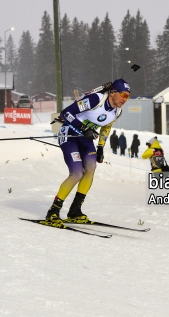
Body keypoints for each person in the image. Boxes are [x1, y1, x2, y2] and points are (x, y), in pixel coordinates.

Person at [45, 78, 130, 223]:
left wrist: (101, 146)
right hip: (69, 134)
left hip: (85, 138)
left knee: (91, 167)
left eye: (128, 96)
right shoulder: (95, 100)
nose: (125, 99)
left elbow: (106, 127)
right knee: (77, 173)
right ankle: (53, 211)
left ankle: (75, 210)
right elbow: (66, 113)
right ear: (113, 92)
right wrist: (84, 128)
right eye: (124, 95)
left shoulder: (117, 112)